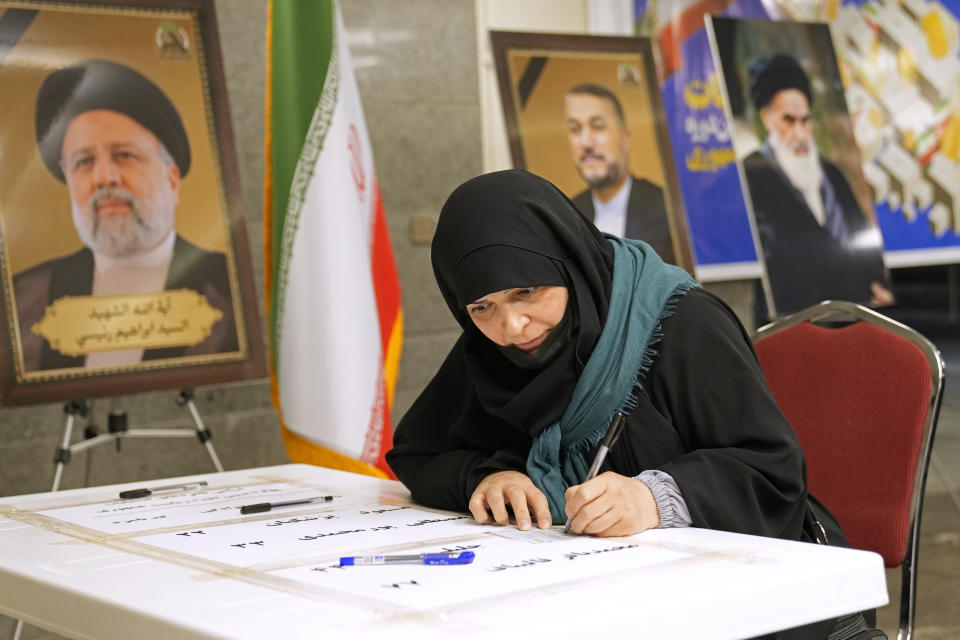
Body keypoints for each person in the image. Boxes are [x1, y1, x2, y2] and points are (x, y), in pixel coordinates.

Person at [387, 170, 885, 640]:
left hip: (747, 604)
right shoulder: (491, 351)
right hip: (594, 604)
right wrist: (486, 476)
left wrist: (654, 499)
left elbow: (771, 467)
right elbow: (419, 451)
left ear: (567, 260)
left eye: (527, 290)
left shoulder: (684, 323)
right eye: (481, 307)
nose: (513, 326)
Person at [15, 59, 237, 371]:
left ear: (171, 181)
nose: (104, 177)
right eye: (84, 162)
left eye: (124, 155)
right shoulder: (21, 299)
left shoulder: (230, 289)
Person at [743, 54, 892, 317]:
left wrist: (879, 282)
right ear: (767, 118)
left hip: (855, 313)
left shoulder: (830, 172)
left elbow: (860, 233)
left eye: (805, 120)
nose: (800, 133)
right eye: (789, 120)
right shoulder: (751, 175)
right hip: (795, 320)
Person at [563, 83, 675, 264]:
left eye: (598, 126)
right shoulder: (566, 216)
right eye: (575, 129)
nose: (586, 142)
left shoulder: (666, 207)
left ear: (625, 139)